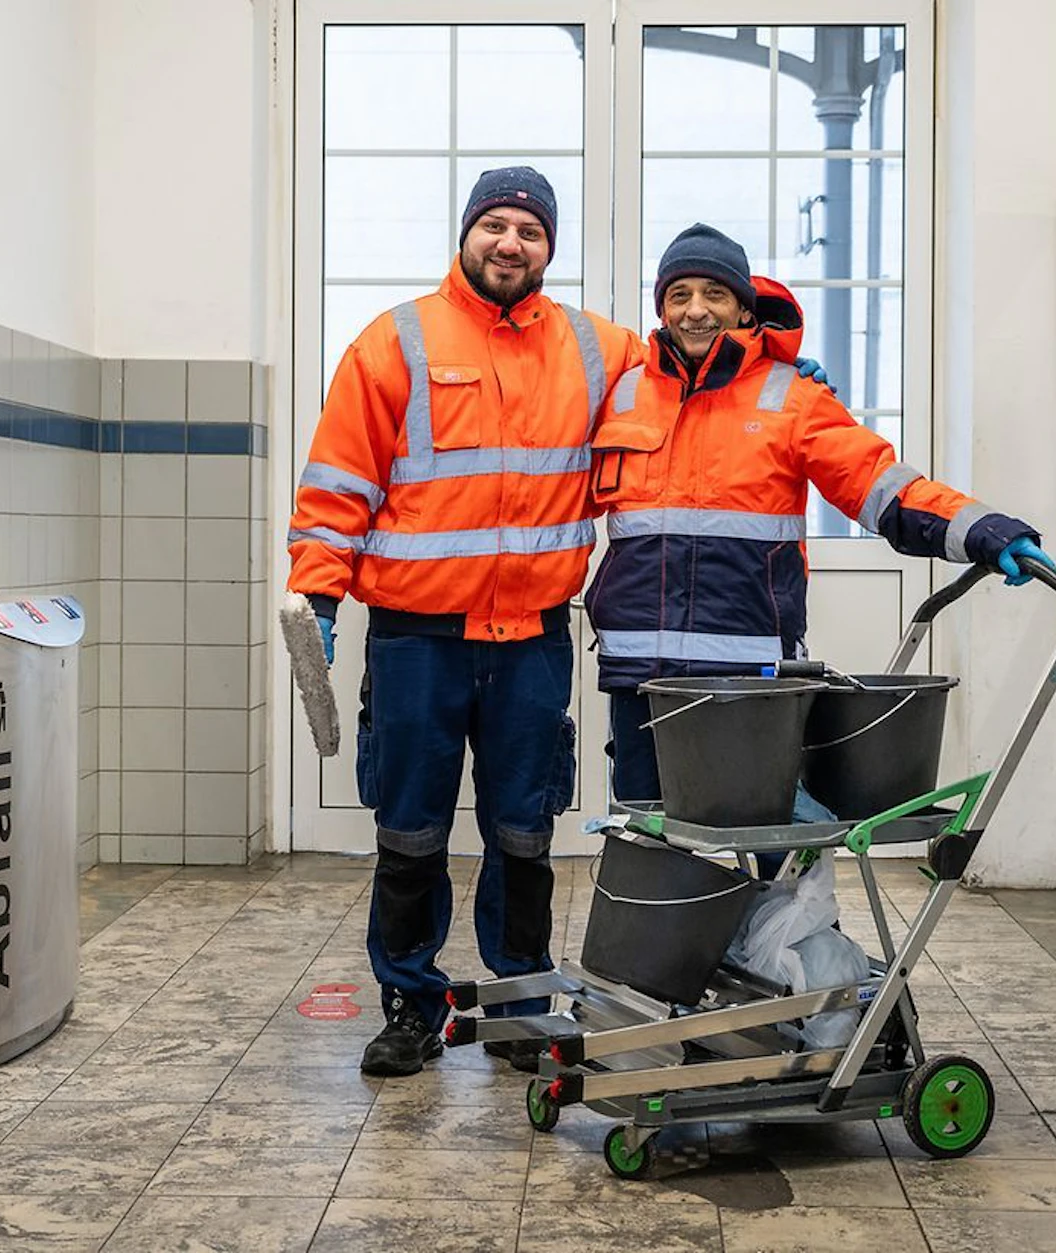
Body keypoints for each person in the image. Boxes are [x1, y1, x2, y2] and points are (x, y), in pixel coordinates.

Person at [286, 167, 646, 1077]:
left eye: (529, 229)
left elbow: (685, 396)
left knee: (524, 830)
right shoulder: (394, 343)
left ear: (549, 248)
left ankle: (522, 995)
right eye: (495, 224)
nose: (510, 243)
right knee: (409, 830)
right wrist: (318, 597)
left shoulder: (599, 350)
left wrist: (772, 370)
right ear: (467, 235)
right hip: (415, 639)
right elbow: (337, 485)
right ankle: (411, 998)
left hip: (530, 638)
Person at [585, 223, 1056, 810]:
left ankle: (775, 906)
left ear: (742, 307)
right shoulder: (624, 393)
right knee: (648, 829)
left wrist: (983, 532)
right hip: (640, 675)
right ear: (661, 308)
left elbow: (879, 485)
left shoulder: (792, 396)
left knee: (759, 831)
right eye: (679, 295)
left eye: (714, 294)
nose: (695, 311)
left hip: (749, 673)